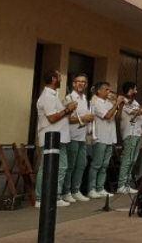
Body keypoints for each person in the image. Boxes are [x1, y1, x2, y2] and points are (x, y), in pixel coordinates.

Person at [35, 70, 78, 208]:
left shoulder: (54, 96)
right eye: (59, 77)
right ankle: (40, 198)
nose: (61, 79)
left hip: (60, 137)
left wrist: (68, 110)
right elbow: (52, 118)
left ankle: (55, 196)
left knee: (62, 167)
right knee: (46, 168)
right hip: (50, 137)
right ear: (53, 79)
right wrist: (67, 110)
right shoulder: (47, 96)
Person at [86, 81, 124, 199]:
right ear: (99, 91)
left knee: (105, 165)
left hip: (110, 137)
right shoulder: (95, 103)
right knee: (96, 164)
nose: (108, 92)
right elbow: (107, 116)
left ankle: (100, 187)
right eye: (106, 90)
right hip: (100, 137)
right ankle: (91, 189)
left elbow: (117, 118)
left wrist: (120, 106)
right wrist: (116, 103)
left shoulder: (108, 103)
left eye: (109, 90)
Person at [116, 82, 142, 193]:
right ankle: (121, 185)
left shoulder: (136, 102)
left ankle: (127, 184)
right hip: (129, 133)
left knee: (133, 161)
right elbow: (137, 112)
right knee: (127, 160)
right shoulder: (124, 102)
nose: (137, 91)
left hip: (137, 133)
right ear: (130, 90)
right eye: (135, 89)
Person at [61, 73, 93, 203]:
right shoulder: (68, 98)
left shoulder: (85, 98)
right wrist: (84, 119)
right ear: (73, 84)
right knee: (70, 165)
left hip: (82, 136)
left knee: (81, 165)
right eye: (78, 82)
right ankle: (66, 191)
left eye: (83, 82)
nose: (81, 84)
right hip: (71, 136)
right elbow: (66, 118)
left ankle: (75, 190)